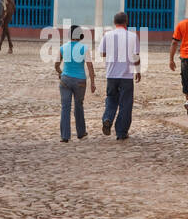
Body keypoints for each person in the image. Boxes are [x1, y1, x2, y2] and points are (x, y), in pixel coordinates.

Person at [99, 11, 140, 140]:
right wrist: (138, 70)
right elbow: (136, 57)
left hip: (111, 74)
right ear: (126, 21)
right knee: (125, 104)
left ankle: (107, 118)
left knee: (111, 99)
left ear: (114, 22)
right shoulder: (133, 37)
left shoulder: (107, 35)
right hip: (126, 76)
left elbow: (102, 53)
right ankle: (121, 132)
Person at [54, 24, 95, 142]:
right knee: (79, 106)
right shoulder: (84, 48)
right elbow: (90, 66)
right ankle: (81, 132)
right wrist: (93, 83)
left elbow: (56, 65)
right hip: (80, 81)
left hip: (65, 80)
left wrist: (61, 73)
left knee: (65, 107)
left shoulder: (62, 48)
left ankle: (65, 136)